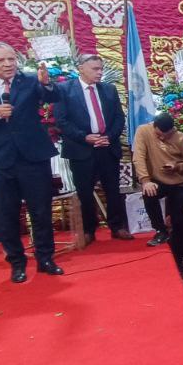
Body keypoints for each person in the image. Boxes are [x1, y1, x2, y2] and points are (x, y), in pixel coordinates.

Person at [0, 41, 62, 283]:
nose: (8, 64)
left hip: (33, 156)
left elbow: (54, 97)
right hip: (0, 159)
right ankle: (17, 263)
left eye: (11, 59)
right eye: (1, 60)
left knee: (41, 210)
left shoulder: (30, 80)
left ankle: (45, 258)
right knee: (6, 213)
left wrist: (46, 84)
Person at [53, 54, 131, 244]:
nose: (100, 72)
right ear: (81, 69)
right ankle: (89, 230)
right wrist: (84, 137)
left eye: (101, 68)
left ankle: (117, 226)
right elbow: (61, 120)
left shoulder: (109, 89)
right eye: (95, 69)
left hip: (107, 147)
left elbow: (119, 118)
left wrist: (109, 137)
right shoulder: (64, 89)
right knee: (84, 192)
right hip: (81, 149)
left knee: (113, 190)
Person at [133, 114, 183, 277]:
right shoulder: (143, 131)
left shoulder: (181, 138)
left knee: (179, 222)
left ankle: (179, 263)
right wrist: (145, 180)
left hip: (179, 183)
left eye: (165, 135)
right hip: (157, 181)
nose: (161, 137)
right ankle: (160, 229)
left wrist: (177, 166)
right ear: (154, 126)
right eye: (158, 134)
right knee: (149, 193)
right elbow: (138, 157)